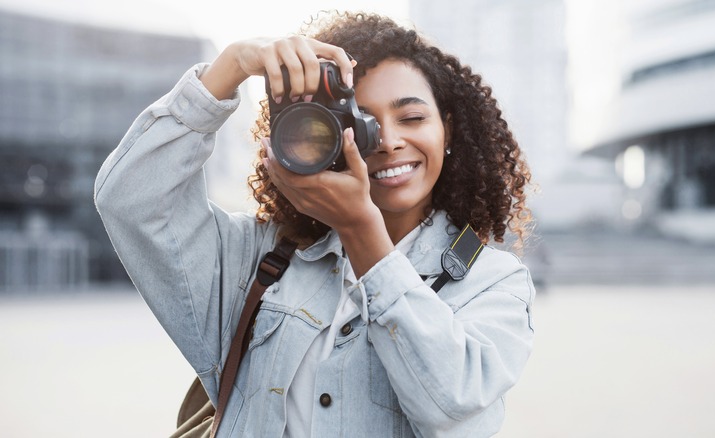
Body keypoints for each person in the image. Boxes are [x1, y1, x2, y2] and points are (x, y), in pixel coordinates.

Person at [95, 11, 535, 438]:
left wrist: (362, 231)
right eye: (360, 123)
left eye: (412, 118)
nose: (387, 141)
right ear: (315, 135)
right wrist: (232, 65)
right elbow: (130, 199)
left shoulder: (492, 283)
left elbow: (451, 409)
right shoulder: (258, 259)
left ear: (448, 130)